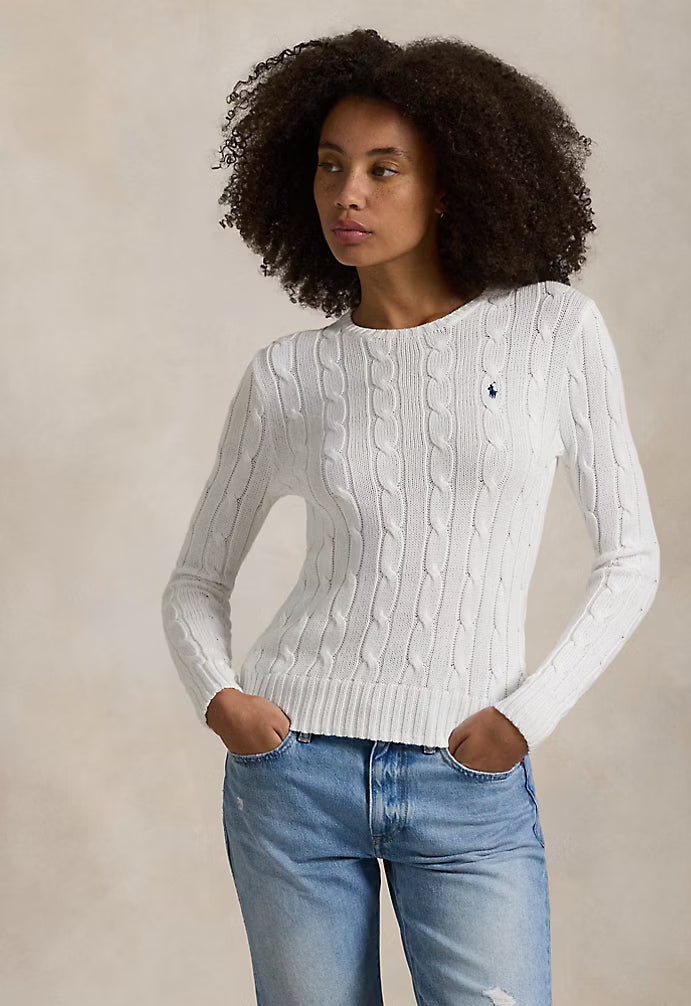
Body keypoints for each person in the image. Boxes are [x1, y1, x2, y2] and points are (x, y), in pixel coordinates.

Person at [161, 27, 660, 1006]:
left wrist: (524, 717)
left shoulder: (550, 330)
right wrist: (224, 700)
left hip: (465, 774)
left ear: (447, 186)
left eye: (383, 169)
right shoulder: (289, 377)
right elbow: (195, 580)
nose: (347, 193)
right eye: (330, 166)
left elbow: (630, 560)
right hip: (294, 773)